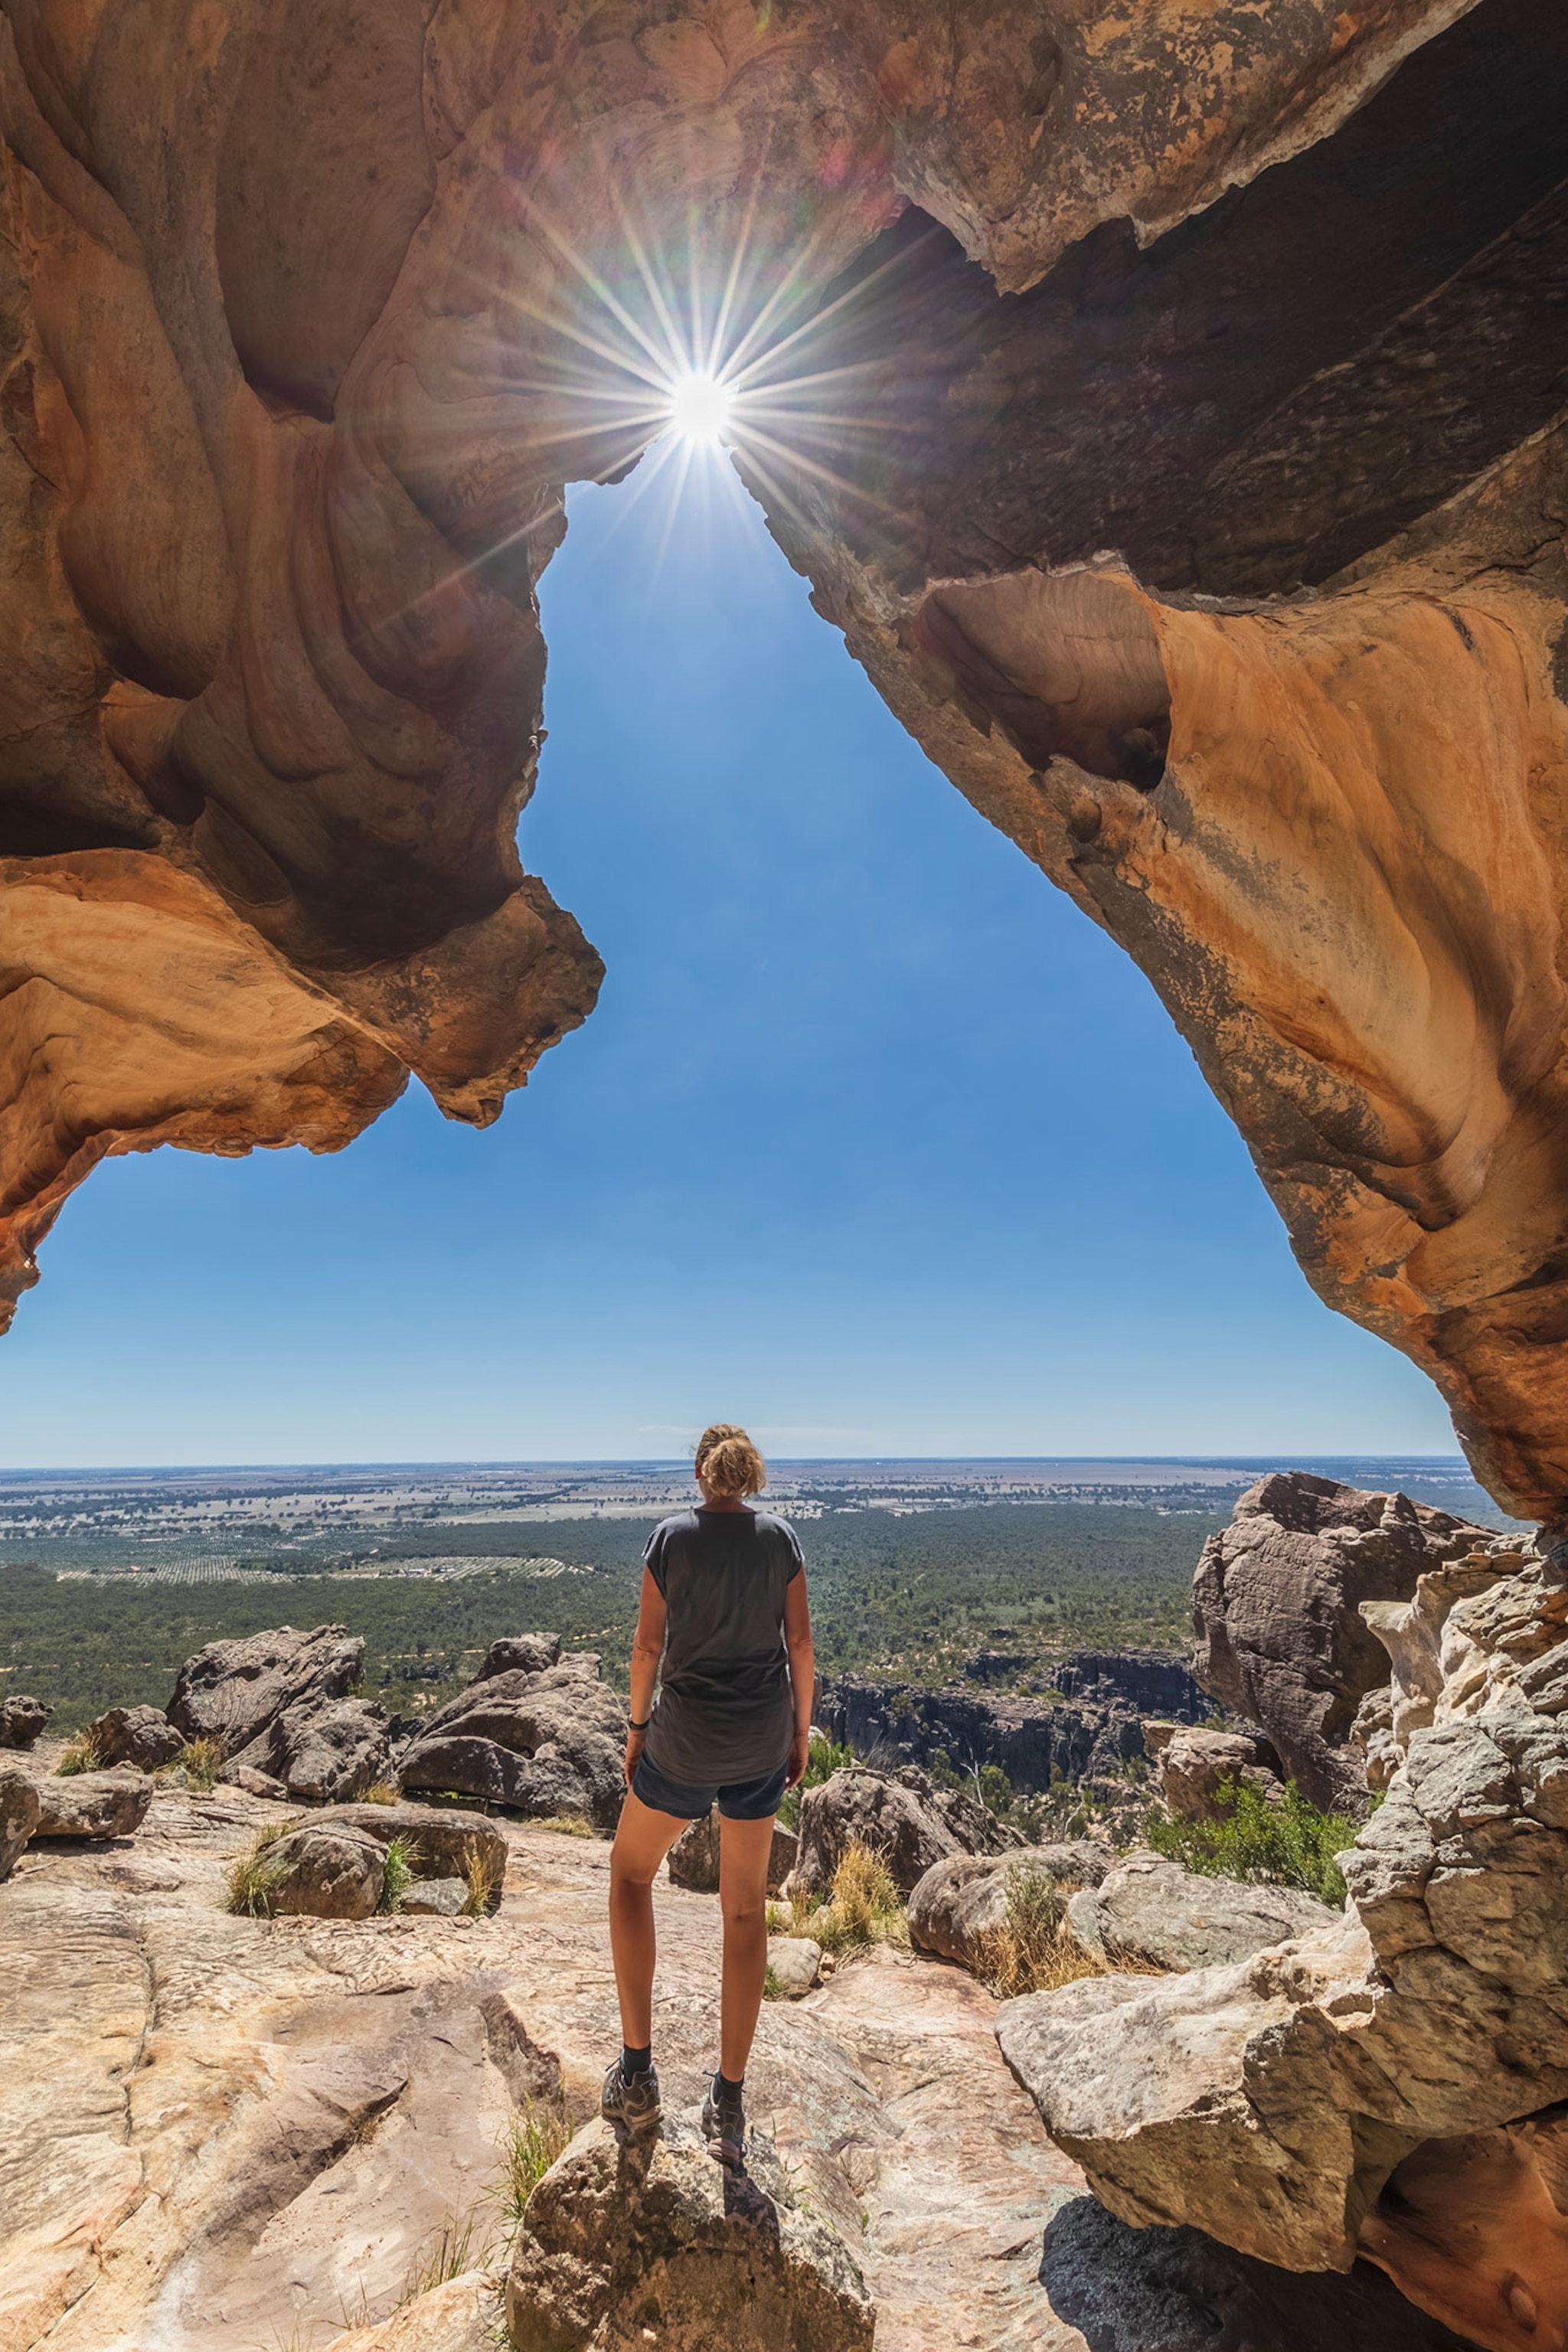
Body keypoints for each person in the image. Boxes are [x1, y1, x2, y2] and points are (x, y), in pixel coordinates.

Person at [599, 1423, 814, 2167]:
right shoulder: (781, 1540)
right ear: (748, 1474)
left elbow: (646, 1648)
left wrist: (635, 1730)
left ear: (700, 1473)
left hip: (684, 1740)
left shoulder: (670, 1540)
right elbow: (800, 1647)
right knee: (744, 1909)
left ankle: (636, 2072)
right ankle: (727, 2093)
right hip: (758, 1739)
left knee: (630, 1874)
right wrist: (799, 1734)